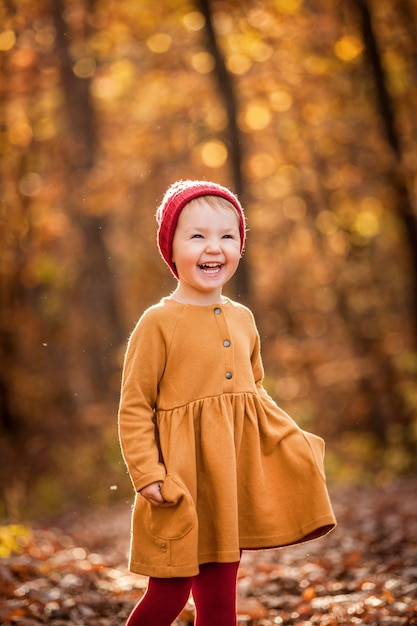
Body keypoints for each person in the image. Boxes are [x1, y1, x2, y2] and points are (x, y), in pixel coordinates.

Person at [118, 180, 336, 626]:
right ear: (171, 247)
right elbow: (135, 405)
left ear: (240, 246)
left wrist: (291, 442)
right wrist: (147, 473)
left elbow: (254, 395)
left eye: (226, 236)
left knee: (220, 607)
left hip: (226, 489)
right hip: (179, 487)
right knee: (169, 596)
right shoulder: (157, 323)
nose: (213, 247)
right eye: (196, 235)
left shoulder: (243, 318)